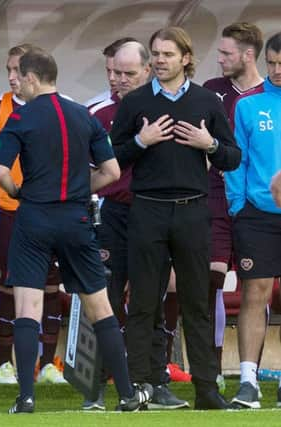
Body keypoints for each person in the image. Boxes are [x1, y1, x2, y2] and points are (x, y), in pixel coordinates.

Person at [0, 46, 152, 414]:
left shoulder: (21, 117)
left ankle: (26, 397)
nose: (17, 84)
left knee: (28, 306)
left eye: (20, 77)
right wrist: (81, 190)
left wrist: (20, 192)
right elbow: (111, 172)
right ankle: (127, 395)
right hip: (77, 219)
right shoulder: (84, 116)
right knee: (101, 306)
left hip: (33, 218)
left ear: (32, 78)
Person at [110, 26, 241, 410]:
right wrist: (140, 142)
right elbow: (112, 158)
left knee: (197, 302)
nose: (160, 60)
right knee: (144, 302)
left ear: (186, 58)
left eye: (167, 54)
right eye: (155, 53)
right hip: (147, 211)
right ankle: (139, 387)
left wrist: (210, 144)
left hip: (192, 211)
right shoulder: (134, 103)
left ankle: (206, 389)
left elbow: (231, 158)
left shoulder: (206, 102)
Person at [86, 41, 188, 411]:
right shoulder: (95, 112)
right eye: (112, 72)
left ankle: (154, 382)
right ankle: (95, 385)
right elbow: (83, 169)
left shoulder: (169, 106)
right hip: (111, 215)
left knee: (153, 301)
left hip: (155, 214)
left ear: (148, 70)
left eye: (127, 73)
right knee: (105, 299)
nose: (118, 80)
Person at [0, 44, 65, 385]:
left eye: (17, 71)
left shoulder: (59, 106)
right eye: (8, 70)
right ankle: (5, 364)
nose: (12, 78)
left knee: (51, 287)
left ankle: (49, 364)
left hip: (50, 210)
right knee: (11, 286)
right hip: (12, 209)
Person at [203, 22, 264, 391]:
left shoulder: (270, 95)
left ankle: (250, 374)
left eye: (227, 53)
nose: (220, 59)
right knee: (209, 280)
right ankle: (210, 370)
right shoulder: (212, 92)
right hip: (213, 197)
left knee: (257, 284)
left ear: (248, 54)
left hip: (257, 205)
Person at [225, 31, 281, 409]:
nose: (276, 71)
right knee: (254, 293)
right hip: (256, 215)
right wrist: (237, 207)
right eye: (272, 63)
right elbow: (235, 161)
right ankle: (248, 383)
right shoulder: (248, 105)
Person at [84, 37, 137, 107]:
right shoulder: (91, 108)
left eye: (117, 71)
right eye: (108, 70)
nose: (111, 78)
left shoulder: (154, 103)